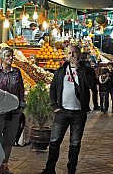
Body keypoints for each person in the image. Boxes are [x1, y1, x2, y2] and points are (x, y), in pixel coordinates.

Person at [41, 46, 97, 174]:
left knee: (75, 144)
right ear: (67, 55)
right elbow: (53, 88)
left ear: (79, 54)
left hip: (79, 113)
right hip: (62, 112)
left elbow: (92, 84)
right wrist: (54, 106)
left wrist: (79, 69)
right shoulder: (61, 71)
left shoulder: (87, 70)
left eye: (75, 52)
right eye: (70, 53)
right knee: (54, 142)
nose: (72, 55)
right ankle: (50, 169)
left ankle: (71, 169)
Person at [0, 47, 27, 174]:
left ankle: (4, 166)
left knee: (9, 139)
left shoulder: (17, 72)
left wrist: (21, 106)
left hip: (13, 111)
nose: (10, 58)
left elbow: (20, 89)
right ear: (1, 58)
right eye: (8, 56)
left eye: (11, 55)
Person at [82, 45, 99, 110]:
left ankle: (95, 105)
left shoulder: (91, 58)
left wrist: (94, 65)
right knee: (86, 93)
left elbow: (95, 64)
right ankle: (87, 107)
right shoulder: (82, 62)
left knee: (94, 91)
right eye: (87, 49)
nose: (88, 51)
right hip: (87, 79)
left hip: (91, 79)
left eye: (89, 49)